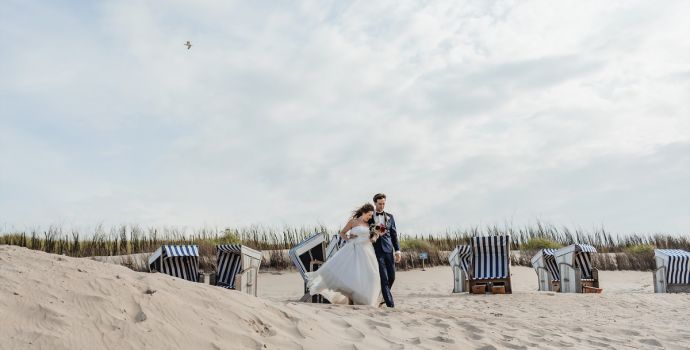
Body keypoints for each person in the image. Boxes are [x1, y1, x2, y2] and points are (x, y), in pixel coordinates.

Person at [306, 203, 381, 305]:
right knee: (353, 275)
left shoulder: (370, 225)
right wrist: (348, 239)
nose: (370, 217)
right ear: (363, 213)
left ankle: (366, 299)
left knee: (371, 275)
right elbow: (342, 233)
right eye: (369, 214)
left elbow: (372, 238)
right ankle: (352, 299)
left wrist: (376, 235)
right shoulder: (353, 222)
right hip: (353, 250)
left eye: (371, 215)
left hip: (367, 252)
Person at [369, 193, 401, 308]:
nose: (382, 206)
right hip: (376, 251)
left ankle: (384, 297)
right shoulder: (370, 216)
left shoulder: (390, 217)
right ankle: (390, 305)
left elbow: (394, 234)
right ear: (375, 203)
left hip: (389, 250)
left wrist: (397, 251)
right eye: (379, 204)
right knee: (384, 278)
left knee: (392, 277)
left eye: (383, 204)